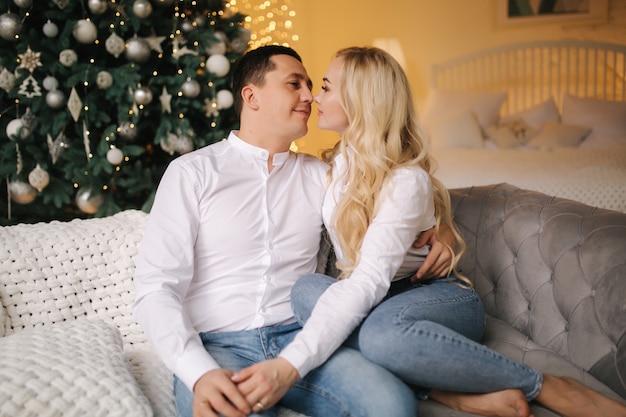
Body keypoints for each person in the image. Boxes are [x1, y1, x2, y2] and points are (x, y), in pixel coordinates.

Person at [231, 47, 626, 417]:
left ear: (362, 100)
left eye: (325, 88)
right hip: (371, 299)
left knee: (382, 336)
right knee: (306, 290)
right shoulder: (328, 171)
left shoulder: (406, 180)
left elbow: (370, 275)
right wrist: (443, 226)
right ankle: (442, 391)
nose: (315, 98)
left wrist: (287, 366)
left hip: (431, 295)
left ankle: (546, 385)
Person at [133, 45, 453, 417]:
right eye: (294, 84)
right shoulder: (192, 173)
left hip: (301, 338)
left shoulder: (324, 176)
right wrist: (198, 372)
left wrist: (441, 231)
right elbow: (156, 287)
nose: (309, 96)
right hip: (218, 348)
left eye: (312, 85)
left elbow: (395, 196)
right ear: (251, 96)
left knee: (391, 406)